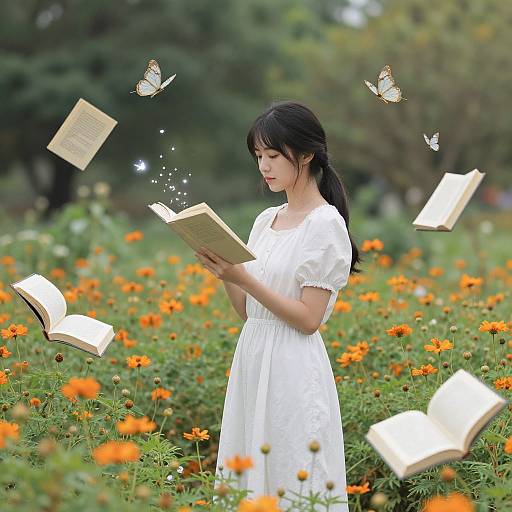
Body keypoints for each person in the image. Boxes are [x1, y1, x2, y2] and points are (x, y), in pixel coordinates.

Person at [194, 100, 361, 510]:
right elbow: (248, 311)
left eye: (272, 155)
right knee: (250, 472)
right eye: (258, 157)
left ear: (305, 155)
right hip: (254, 355)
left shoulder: (324, 224)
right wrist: (225, 273)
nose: (264, 166)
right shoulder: (265, 220)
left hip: (292, 364)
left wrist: (244, 277)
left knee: (294, 470)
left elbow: (308, 318)